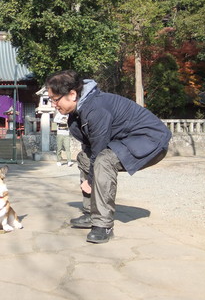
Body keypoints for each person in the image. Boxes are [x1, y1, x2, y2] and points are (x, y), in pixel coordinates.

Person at [45, 70, 171, 244]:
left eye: (55, 99)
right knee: (84, 157)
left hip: (151, 140)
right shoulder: (80, 110)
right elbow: (89, 147)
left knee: (104, 160)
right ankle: (91, 214)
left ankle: (104, 225)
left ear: (72, 94)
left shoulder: (96, 107)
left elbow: (99, 148)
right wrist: (89, 175)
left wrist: (90, 180)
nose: (53, 104)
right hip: (128, 140)